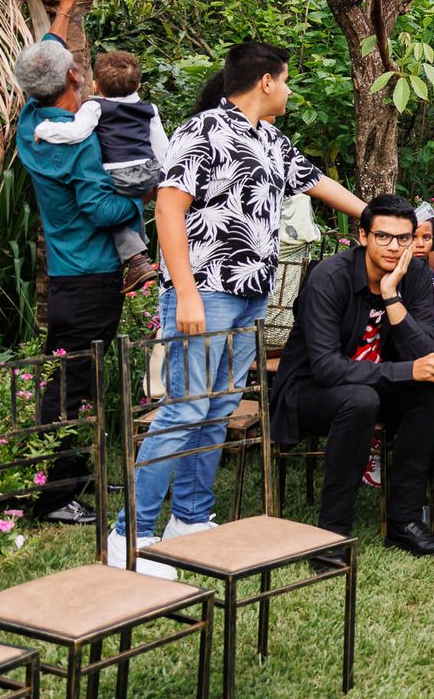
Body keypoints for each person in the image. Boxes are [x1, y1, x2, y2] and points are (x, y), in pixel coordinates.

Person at [118, 41, 364, 559]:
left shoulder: (269, 138)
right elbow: (168, 210)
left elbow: (317, 183)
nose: (290, 89)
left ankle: (188, 519)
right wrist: (184, 291)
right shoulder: (202, 131)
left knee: (219, 408)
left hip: (251, 293)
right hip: (204, 291)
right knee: (184, 410)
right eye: (288, 79)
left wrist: (381, 218)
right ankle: (131, 534)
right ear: (266, 82)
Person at [12, 0, 145, 524]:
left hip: (66, 280)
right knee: (74, 391)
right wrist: (142, 199)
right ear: (73, 77)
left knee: (65, 381)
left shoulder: (34, 122)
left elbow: (51, 60)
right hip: (90, 282)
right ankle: (56, 496)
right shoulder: (82, 143)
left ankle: (60, 479)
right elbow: (100, 210)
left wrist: (62, 9)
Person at [269, 195, 434, 555]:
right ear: (363, 236)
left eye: (404, 238)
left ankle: (404, 521)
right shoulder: (329, 278)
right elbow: (325, 367)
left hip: (373, 387)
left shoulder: (414, 276)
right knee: (359, 398)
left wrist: (390, 296)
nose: (394, 246)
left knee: (428, 389)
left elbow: (424, 353)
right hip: (309, 392)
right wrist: (406, 370)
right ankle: (332, 534)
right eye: (383, 236)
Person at [29, 47, 170, 281]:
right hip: (148, 173)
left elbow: (75, 132)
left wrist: (45, 129)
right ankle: (138, 257)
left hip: (118, 174)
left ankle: (136, 259)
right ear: (138, 85)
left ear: (96, 86)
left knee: (109, 210)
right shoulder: (149, 109)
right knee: (127, 204)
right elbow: (163, 149)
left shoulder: (95, 106)